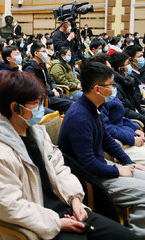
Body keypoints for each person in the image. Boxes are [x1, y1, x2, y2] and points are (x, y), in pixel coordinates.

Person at [0, 70, 137, 240]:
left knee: (126, 237)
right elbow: (7, 205)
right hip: (37, 223)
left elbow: (59, 168)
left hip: (64, 207)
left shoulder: (37, 133)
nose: (41, 109)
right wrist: (56, 222)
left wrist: (75, 199)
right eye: (36, 104)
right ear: (15, 107)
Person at [58, 61, 145, 239]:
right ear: (97, 89)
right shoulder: (80, 116)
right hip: (91, 178)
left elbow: (106, 139)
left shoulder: (92, 107)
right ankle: (135, 235)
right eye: (111, 85)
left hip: (101, 167)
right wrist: (117, 170)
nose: (114, 88)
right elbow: (87, 164)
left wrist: (129, 163)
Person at [23, 41, 74, 113]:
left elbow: (50, 80)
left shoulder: (42, 65)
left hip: (50, 93)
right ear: (36, 53)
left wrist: (54, 88)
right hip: (43, 97)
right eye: (43, 51)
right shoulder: (29, 68)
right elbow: (35, 87)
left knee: (75, 100)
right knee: (72, 105)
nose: (46, 54)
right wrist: (52, 93)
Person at [101, 95, 145, 165]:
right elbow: (106, 128)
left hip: (128, 136)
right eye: (110, 84)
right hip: (119, 144)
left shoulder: (112, 95)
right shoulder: (98, 101)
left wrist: (136, 129)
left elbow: (120, 117)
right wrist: (132, 139)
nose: (112, 87)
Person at [110, 52, 145, 124]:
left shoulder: (127, 81)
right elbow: (126, 111)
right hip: (133, 121)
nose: (130, 66)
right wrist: (142, 117)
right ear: (120, 69)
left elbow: (136, 105)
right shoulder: (116, 87)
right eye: (127, 64)